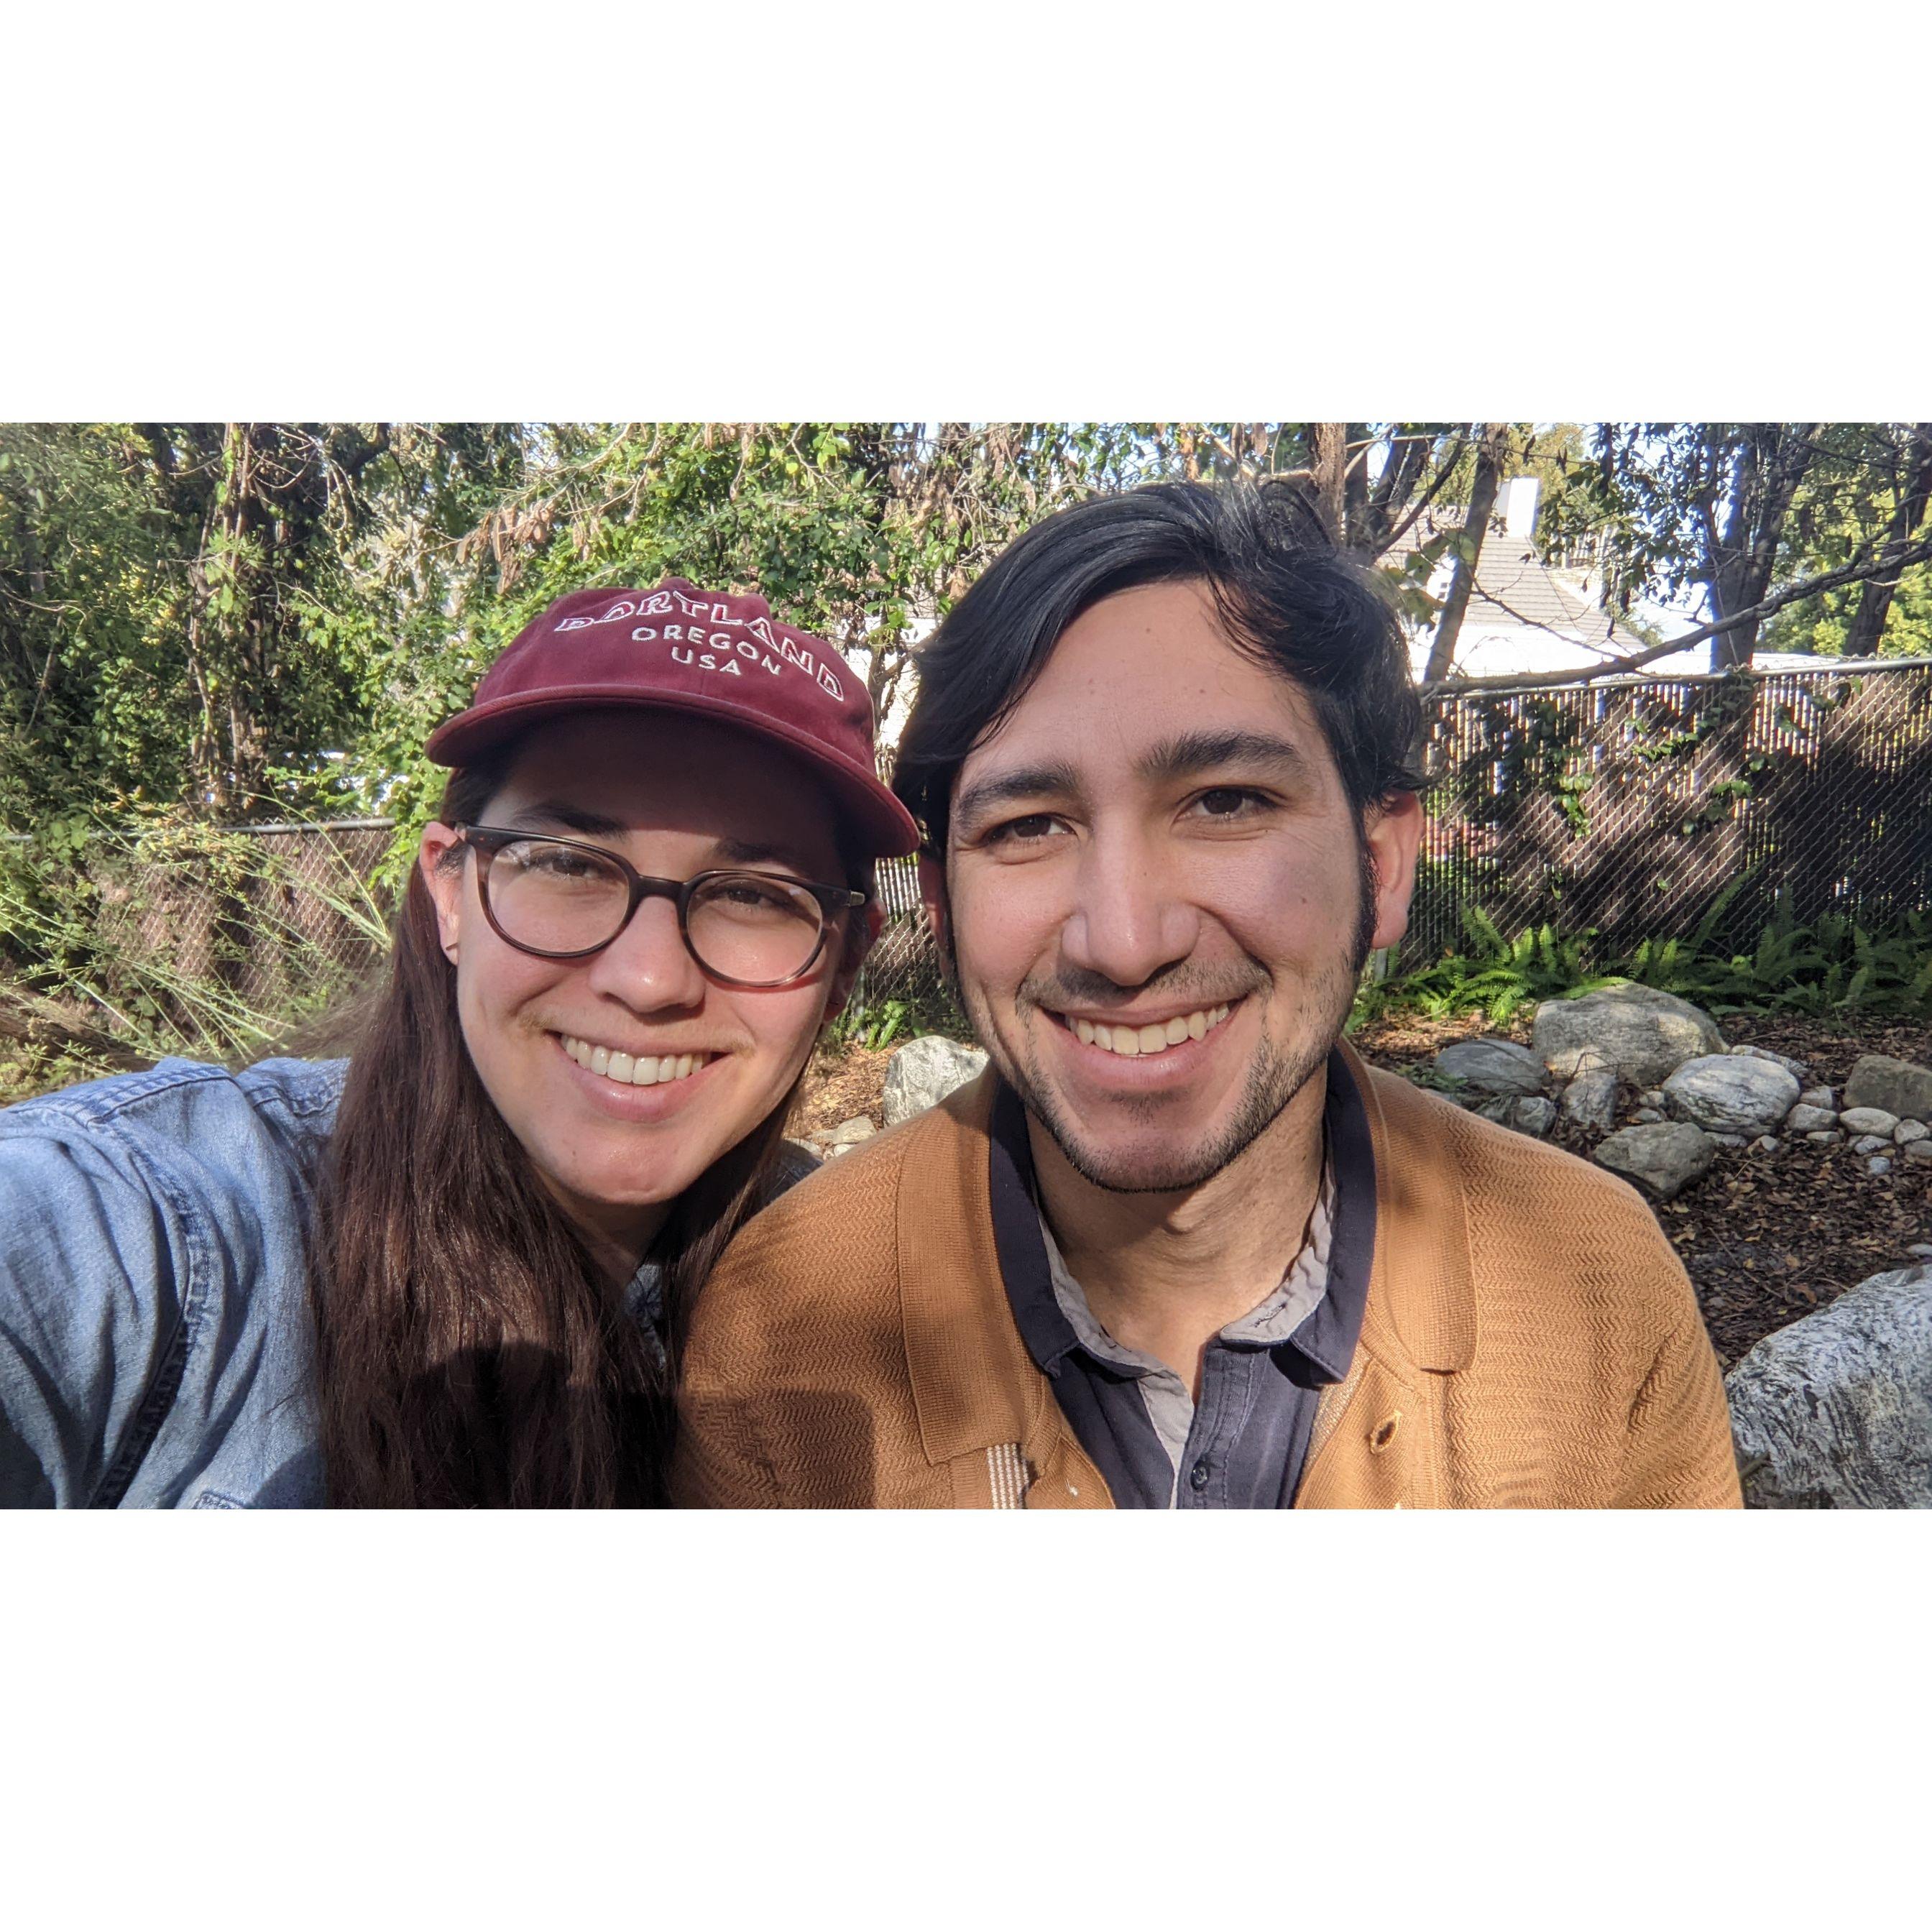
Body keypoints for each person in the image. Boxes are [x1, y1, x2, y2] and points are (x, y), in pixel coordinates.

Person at [673, 483, 1743, 1509]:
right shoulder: (781, 1332)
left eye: (1225, 802)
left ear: (1385, 863)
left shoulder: (1596, 1287)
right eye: (1028, 826)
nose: (1125, 944)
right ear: (943, 906)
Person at [0, 579, 917, 1507]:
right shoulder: (171, 1239)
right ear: (449, 893)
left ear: (844, 964)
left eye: (755, 893)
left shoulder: (856, 1281)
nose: (648, 981)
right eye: (566, 863)